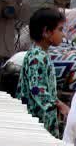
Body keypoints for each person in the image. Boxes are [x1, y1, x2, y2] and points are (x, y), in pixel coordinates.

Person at [17, 7, 68, 136]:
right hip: (35, 124)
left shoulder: (42, 54)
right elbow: (37, 90)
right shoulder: (37, 57)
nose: (64, 34)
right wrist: (59, 105)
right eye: (60, 30)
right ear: (46, 32)